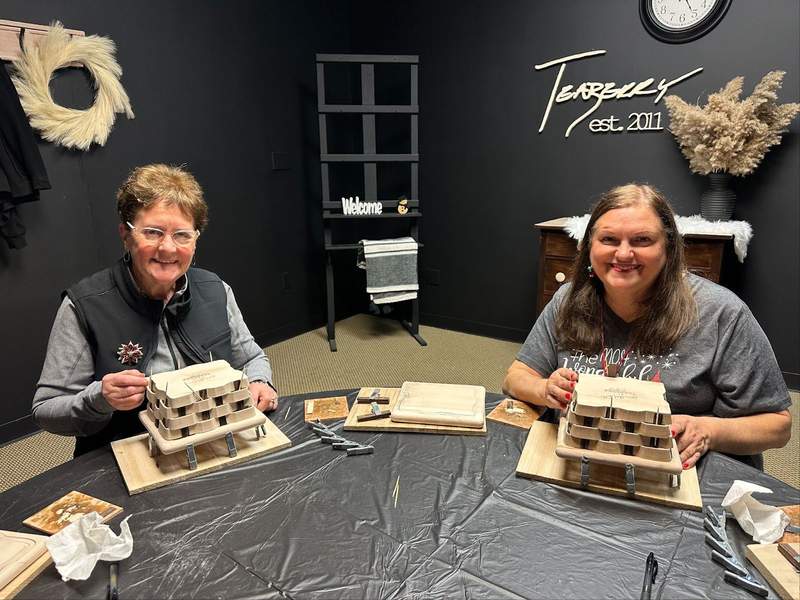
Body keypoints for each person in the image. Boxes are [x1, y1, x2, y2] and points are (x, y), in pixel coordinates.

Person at [503, 183, 791, 470]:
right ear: (589, 246)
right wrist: (544, 389)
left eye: (642, 240)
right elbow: (515, 378)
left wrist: (706, 431)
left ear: (669, 248)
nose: (623, 254)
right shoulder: (568, 299)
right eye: (609, 239)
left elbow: (777, 426)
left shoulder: (721, 312)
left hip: (677, 470)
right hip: (577, 460)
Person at [33, 164, 278, 456]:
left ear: (195, 239)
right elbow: (46, 408)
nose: (168, 248)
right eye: (152, 232)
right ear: (125, 234)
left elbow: (251, 358)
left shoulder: (216, 290)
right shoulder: (83, 306)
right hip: (128, 453)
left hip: (216, 441)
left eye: (182, 235)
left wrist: (259, 382)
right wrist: (100, 399)